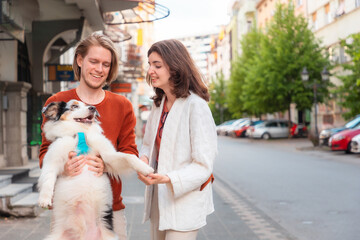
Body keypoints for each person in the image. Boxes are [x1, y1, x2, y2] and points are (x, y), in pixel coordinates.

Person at [39, 32, 137, 240]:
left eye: (106, 64)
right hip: (67, 210)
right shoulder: (59, 101)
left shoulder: (123, 105)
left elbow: (129, 151)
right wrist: (63, 168)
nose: (99, 69)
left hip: (107, 212)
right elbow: (45, 153)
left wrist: (106, 164)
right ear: (80, 60)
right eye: (94, 61)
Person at [137, 39, 217, 240]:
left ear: (175, 67)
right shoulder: (158, 105)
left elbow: (203, 165)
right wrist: (143, 162)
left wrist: (169, 178)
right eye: (149, 64)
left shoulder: (196, 106)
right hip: (159, 200)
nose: (150, 70)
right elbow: (147, 146)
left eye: (157, 65)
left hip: (185, 203)